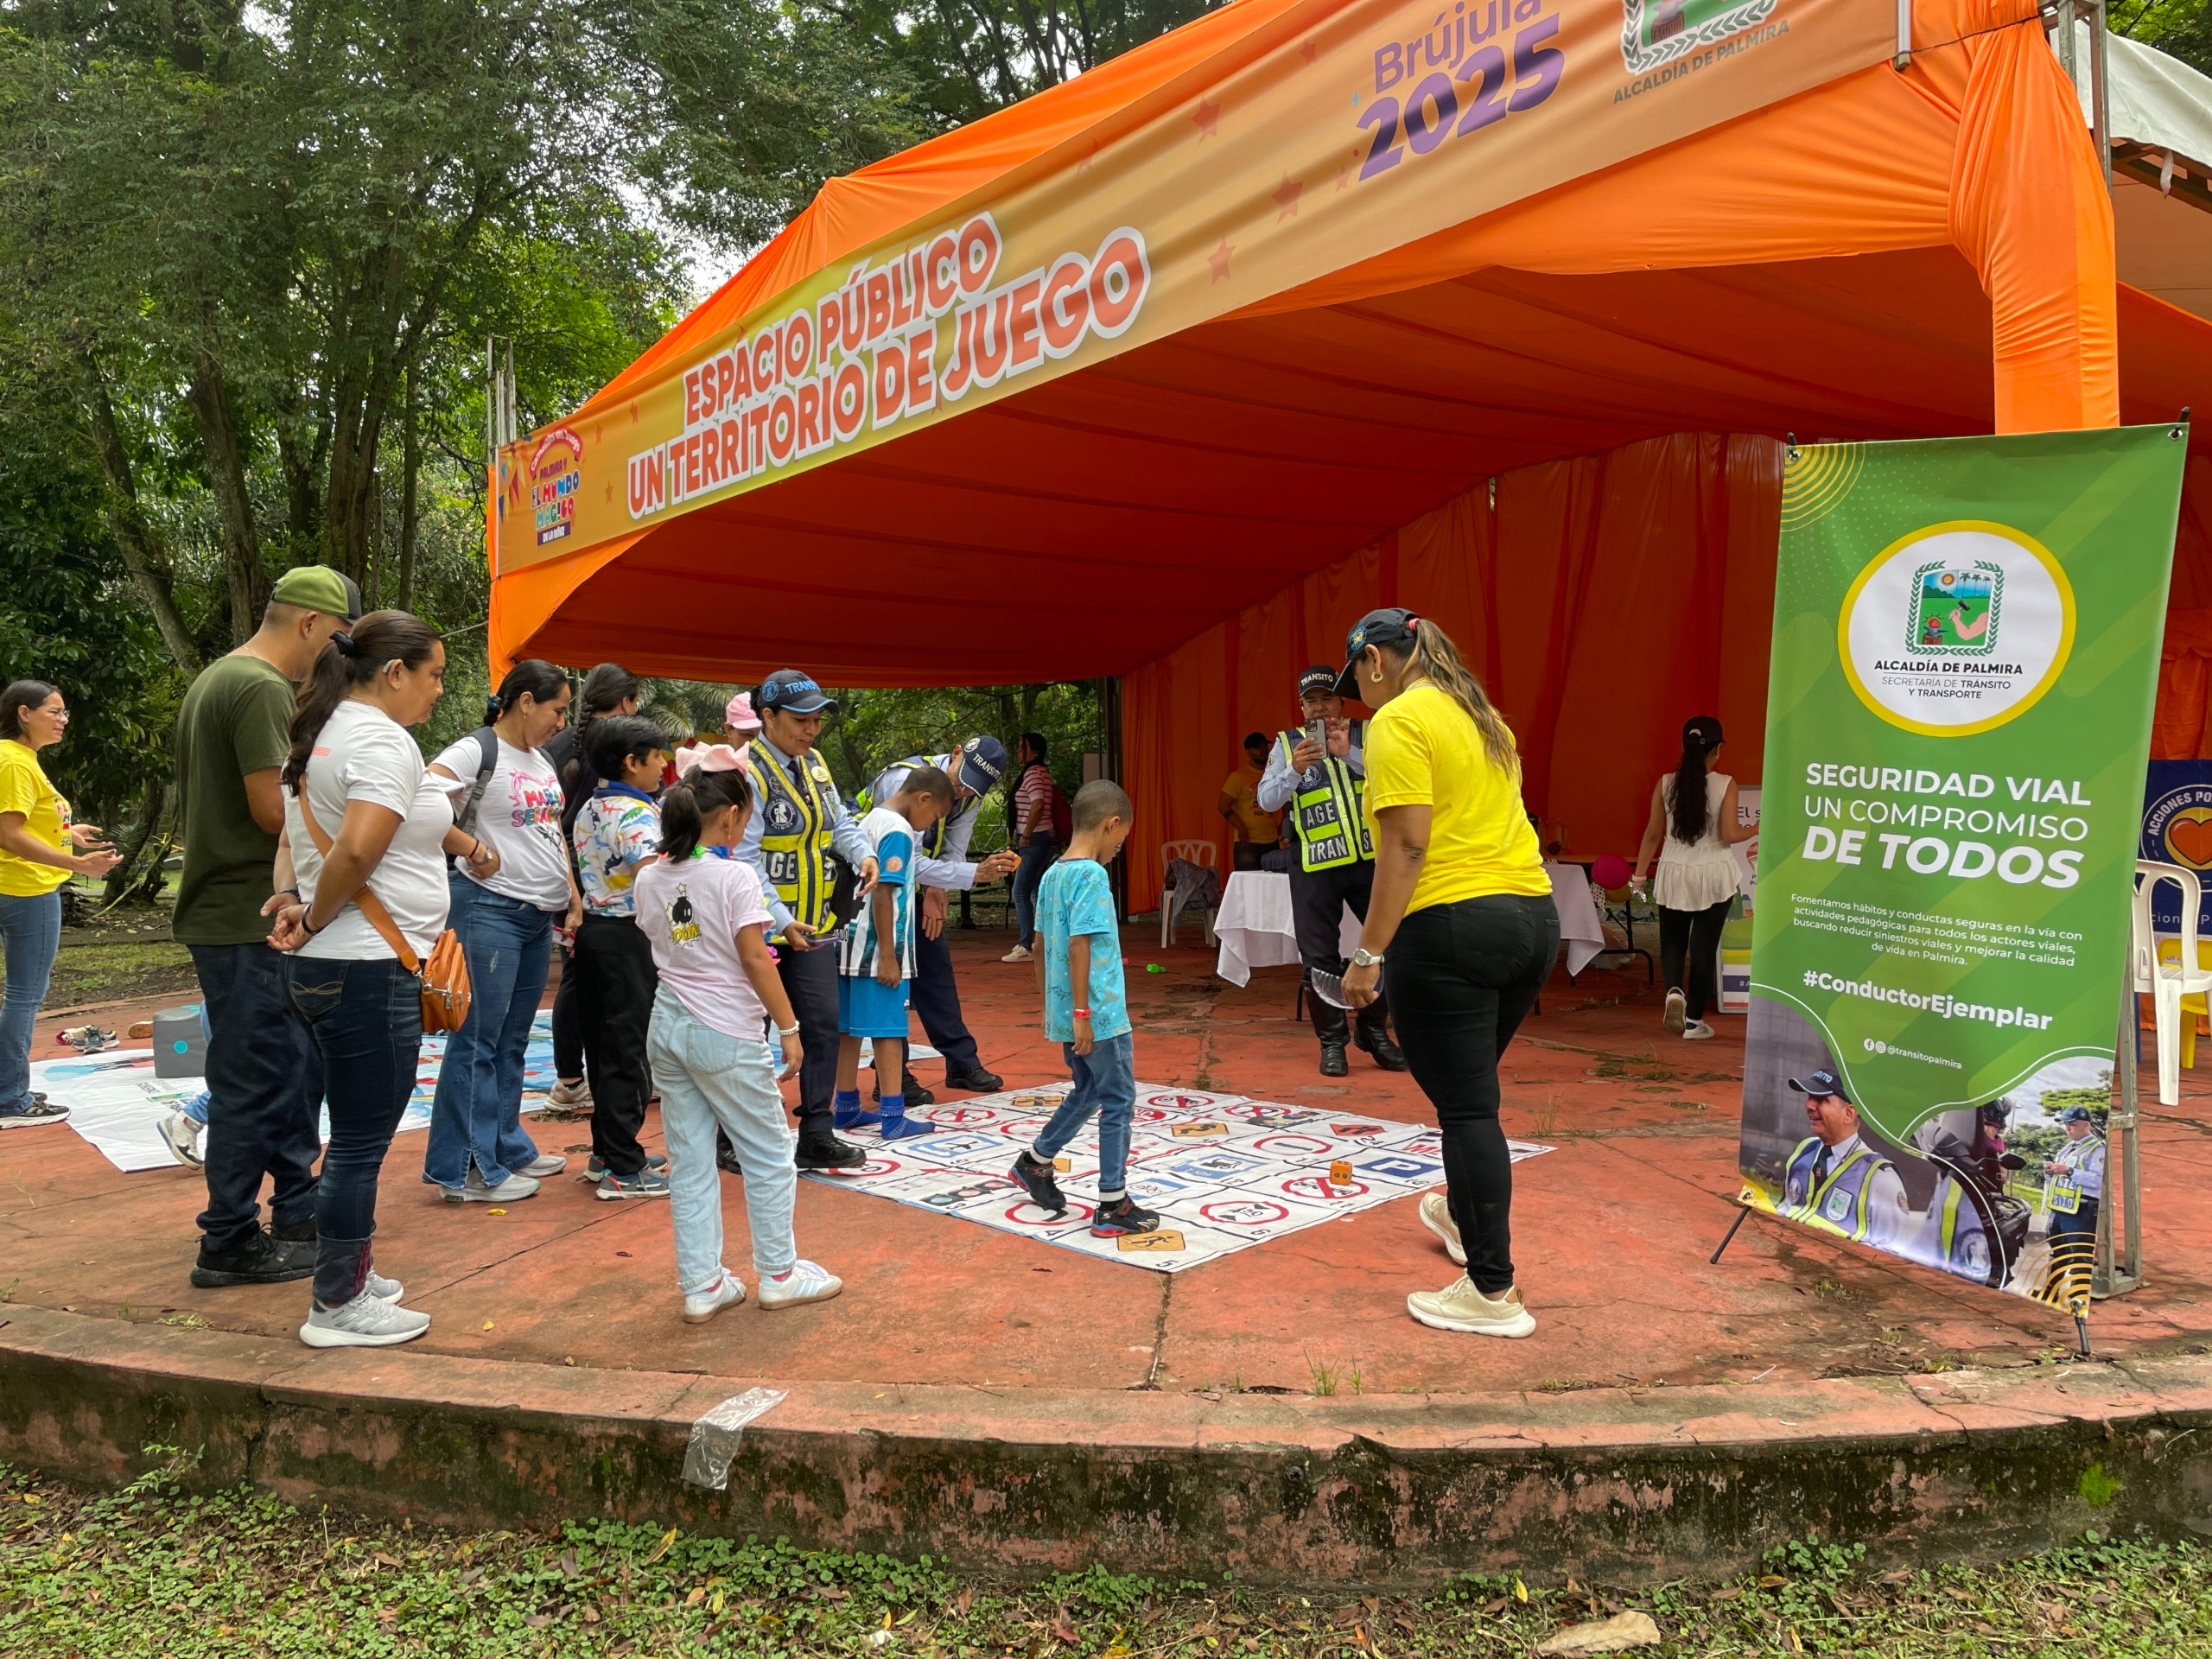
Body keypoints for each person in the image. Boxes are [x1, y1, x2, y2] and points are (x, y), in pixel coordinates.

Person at [1334, 610, 1554, 1338]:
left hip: (1452, 926)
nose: (1359, 697)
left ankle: (1492, 1290)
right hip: (1532, 920)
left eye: (1356, 680)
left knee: (1467, 1112)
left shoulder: (1399, 719)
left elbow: (1406, 846)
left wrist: (1368, 955)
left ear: (1375, 660)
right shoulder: (1482, 717)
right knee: (1471, 1095)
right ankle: (1461, 1214)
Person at [267, 610, 468, 1348]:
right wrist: (313, 917)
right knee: (359, 1141)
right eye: (434, 675)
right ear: (393, 672)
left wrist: (293, 902)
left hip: (336, 964)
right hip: (364, 966)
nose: (439, 690)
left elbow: (294, 842)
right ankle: (339, 1303)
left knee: (352, 1133)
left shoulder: (323, 734)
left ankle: (349, 1270)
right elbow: (354, 853)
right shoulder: (381, 741)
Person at [168, 566, 356, 1287]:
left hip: (245, 913)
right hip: (249, 914)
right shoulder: (260, 688)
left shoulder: (220, 678)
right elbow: (272, 810)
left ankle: (297, 1209)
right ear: (310, 624)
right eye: (337, 640)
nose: (336, 658)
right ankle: (228, 1238)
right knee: (256, 1080)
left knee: (289, 1072)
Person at [636, 760, 842, 1321]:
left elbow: (667, 937)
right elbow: (755, 957)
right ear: (730, 817)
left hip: (667, 1025)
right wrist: (789, 1028)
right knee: (770, 1153)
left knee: (691, 1160)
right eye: (748, 818)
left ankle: (703, 1285)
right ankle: (779, 1274)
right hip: (725, 1030)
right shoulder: (734, 877)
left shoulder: (650, 876)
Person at [422, 660, 580, 1204]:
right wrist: (470, 849)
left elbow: (550, 830)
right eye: (558, 709)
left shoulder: (540, 759)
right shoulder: (476, 750)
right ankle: (467, 1168)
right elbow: (417, 802)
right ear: (525, 701)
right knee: (477, 1040)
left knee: (512, 1038)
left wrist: (571, 895)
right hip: (488, 909)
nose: (562, 722)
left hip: (536, 916)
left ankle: (505, 1145)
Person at [734, 670, 879, 1170]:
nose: (812, 730)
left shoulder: (814, 764)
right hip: (758, 928)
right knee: (750, 1033)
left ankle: (816, 1131)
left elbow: (840, 822)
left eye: (817, 720)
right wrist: (779, 918)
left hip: (812, 926)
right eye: (801, 720)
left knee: (822, 1024)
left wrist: (863, 854)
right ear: (768, 717)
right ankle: (735, 1137)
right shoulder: (746, 773)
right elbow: (745, 858)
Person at [1007, 780, 1163, 1238]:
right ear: (1110, 824)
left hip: (1067, 1013)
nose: (1118, 850)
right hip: (1098, 1015)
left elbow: (1038, 945)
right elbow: (1079, 945)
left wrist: (1054, 1010)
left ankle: (1034, 1161)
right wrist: (1082, 1014)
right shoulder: (1092, 876)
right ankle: (1113, 1203)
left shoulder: (1051, 875)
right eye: (1121, 840)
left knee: (1089, 1091)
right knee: (1118, 1100)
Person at [1256, 667, 1406, 1077]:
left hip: (1369, 860)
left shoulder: (1368, 732)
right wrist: (1294, 770)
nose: (1320, 708)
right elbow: (1267, 800)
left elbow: (1395, 777)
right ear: (1301, 706)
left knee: (1392, 946)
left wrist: (1350, 754)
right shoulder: (1287, 743)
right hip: (1314, 865)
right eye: (1311, 701)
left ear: (1341, 701)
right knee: (1319, 958)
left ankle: (1373, 1032)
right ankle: (1332, 1043)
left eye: (1327, 698)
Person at [859, 737, 1021, 1096]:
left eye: (973, 788)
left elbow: (953, 850)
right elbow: (906, 858)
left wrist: (937, 890)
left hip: (913, 884)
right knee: (888, 977)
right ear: (957, 752)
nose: (963, 792)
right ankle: (892, 1077)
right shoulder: (905, 779)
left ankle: (961, 1062)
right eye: (962, 781)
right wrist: (973, 874)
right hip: (874, 888)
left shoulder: (969, 796)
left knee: (936, 969)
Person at [0, 681, 119, 1129]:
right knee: (24, 995)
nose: (63, 720)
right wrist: (77, 864)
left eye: (64, 712)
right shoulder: (14, 761)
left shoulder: (18, 758)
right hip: (26, 890)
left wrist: (68, 832)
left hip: (17, 885)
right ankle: (10, 1099)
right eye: (54, 711)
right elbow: (8, 834)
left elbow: (27, 824)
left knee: (21, 995)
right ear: (24, 713)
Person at [571, 715, 677, 1198]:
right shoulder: (635, 814)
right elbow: (656, 879)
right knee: (628, 1051)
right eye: (656, 757)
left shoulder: (591, 806)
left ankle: (607, 1151)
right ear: (632, 763)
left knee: (604, 1047)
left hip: (595, 933)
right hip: (628, 936)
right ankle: (623, 1168)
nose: (663, 765)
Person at [835, 766, 955, 1138]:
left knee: (849, 1030)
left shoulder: (868, 820)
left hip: (849, 945)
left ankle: (845, 1106)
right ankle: (892, 1115)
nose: (929, 826)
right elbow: (885, 892)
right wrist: (889, 956)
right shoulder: (900, 831)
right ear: (923, 799)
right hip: (878, 951)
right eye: (934, 815)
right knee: (888, 1032)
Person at [545, 662, 644, 1110]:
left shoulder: (560, 742)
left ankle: (571, 1077)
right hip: (602, 877)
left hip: (568, 868)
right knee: (617, 983)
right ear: (625, 702)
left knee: (577, 976)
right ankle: (607, 1078)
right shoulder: (618, 745)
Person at [1629, 715, 1753, 1041]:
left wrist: (1639, 876)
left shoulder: (1666, 783)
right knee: (1703, 948)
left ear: (1684, 747)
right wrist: (1758, 828)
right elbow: (1730, 834)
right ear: (1718, 749)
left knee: (1672, 942)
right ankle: (1694, 1022)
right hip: (1714, 872)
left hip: (1674, 869)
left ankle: (1674, 991)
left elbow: (1653, 833)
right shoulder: (1726, 784)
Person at [1776, 1070, 1912, 1253]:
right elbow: (1785, 1209)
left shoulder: (1879, 1177)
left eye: (1822, 1099)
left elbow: (1895, 1251)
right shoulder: (1805, 1150)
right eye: (1809, 1097)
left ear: (1849, 1113)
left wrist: (1838, 1248)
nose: (1809, 1105)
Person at [1002, 733, 1065, 963]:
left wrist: (1026, 835)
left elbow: (1038, 805)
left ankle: (1025, 945)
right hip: (1041, 838)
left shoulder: (1032, 774)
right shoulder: (1040, 772)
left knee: (1020, 891)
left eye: (1022, 747)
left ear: (1035, 752)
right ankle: (1040, 942)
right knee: (1036, 891)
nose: (1018, 751)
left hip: (1034, 839)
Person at [2043, 1105, 2106, 1303]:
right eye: (2065, 1124)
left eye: (2072, 1124)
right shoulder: (2067, 1148)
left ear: (2086, 1125)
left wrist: (2070, 1171)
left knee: (2080, 1255)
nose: (2068, 1128)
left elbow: (2100, 1180)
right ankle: (2050, 1293)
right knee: (2057, 1252)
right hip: (2060, 1208)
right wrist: (2050, 1172)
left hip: (2082, 1210)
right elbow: (2055, 1179)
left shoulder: (2097, 1149)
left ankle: (2077, 1299)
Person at [1217, 732, 1280, 873]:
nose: (1263, 750)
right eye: (1258, 747)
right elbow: (1222, 805)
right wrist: (1241, 827)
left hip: (1272, 840)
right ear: (1248, 752)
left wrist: (1284, 821)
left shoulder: (1274, 774)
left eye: (1265, 746)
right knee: (1248, 883)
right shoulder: (1239, 777)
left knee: (1273, 883)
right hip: (1248, 843)